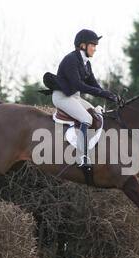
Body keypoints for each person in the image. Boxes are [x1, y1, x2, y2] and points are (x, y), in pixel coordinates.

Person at [49, 29, 119, 168]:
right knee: (86, 119)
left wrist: (110, 95)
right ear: (83, 45)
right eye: (93, 45)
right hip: (62, 97)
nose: (95, 49)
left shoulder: (86, 63)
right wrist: (102, 93)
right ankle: (82, 157)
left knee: (96, 114)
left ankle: (92, 148)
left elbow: (93, 84)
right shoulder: (71, 59)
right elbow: (78, 85)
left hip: (74, 97)